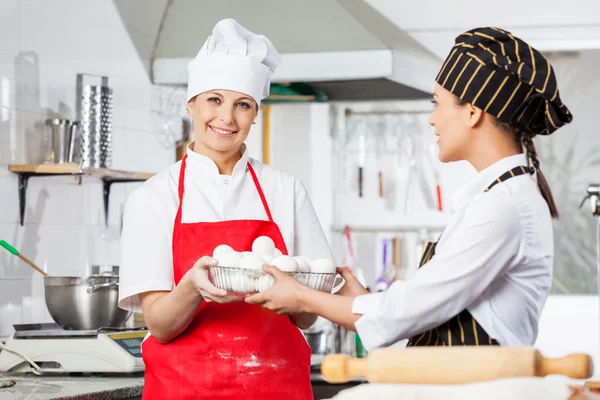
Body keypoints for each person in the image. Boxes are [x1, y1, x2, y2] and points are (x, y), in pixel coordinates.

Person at [246, 26, 573, 351]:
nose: (432, 119)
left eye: (437, 103)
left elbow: (408, 312)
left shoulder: (503, 206)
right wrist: (364, 302)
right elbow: (424, 308)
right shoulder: (497, 198)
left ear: (473, 112)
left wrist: (303, 297)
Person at [118, 18, 334, 400]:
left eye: (243, 105)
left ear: (255, 113)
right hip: (184, 391)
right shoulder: (153, 197)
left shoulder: (285, 190)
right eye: (214, 100)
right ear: (192, 103)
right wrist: (193, 287)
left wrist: (295, 295)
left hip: (276, 389)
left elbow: (309, 314)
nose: (226, 118)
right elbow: (161, 325)